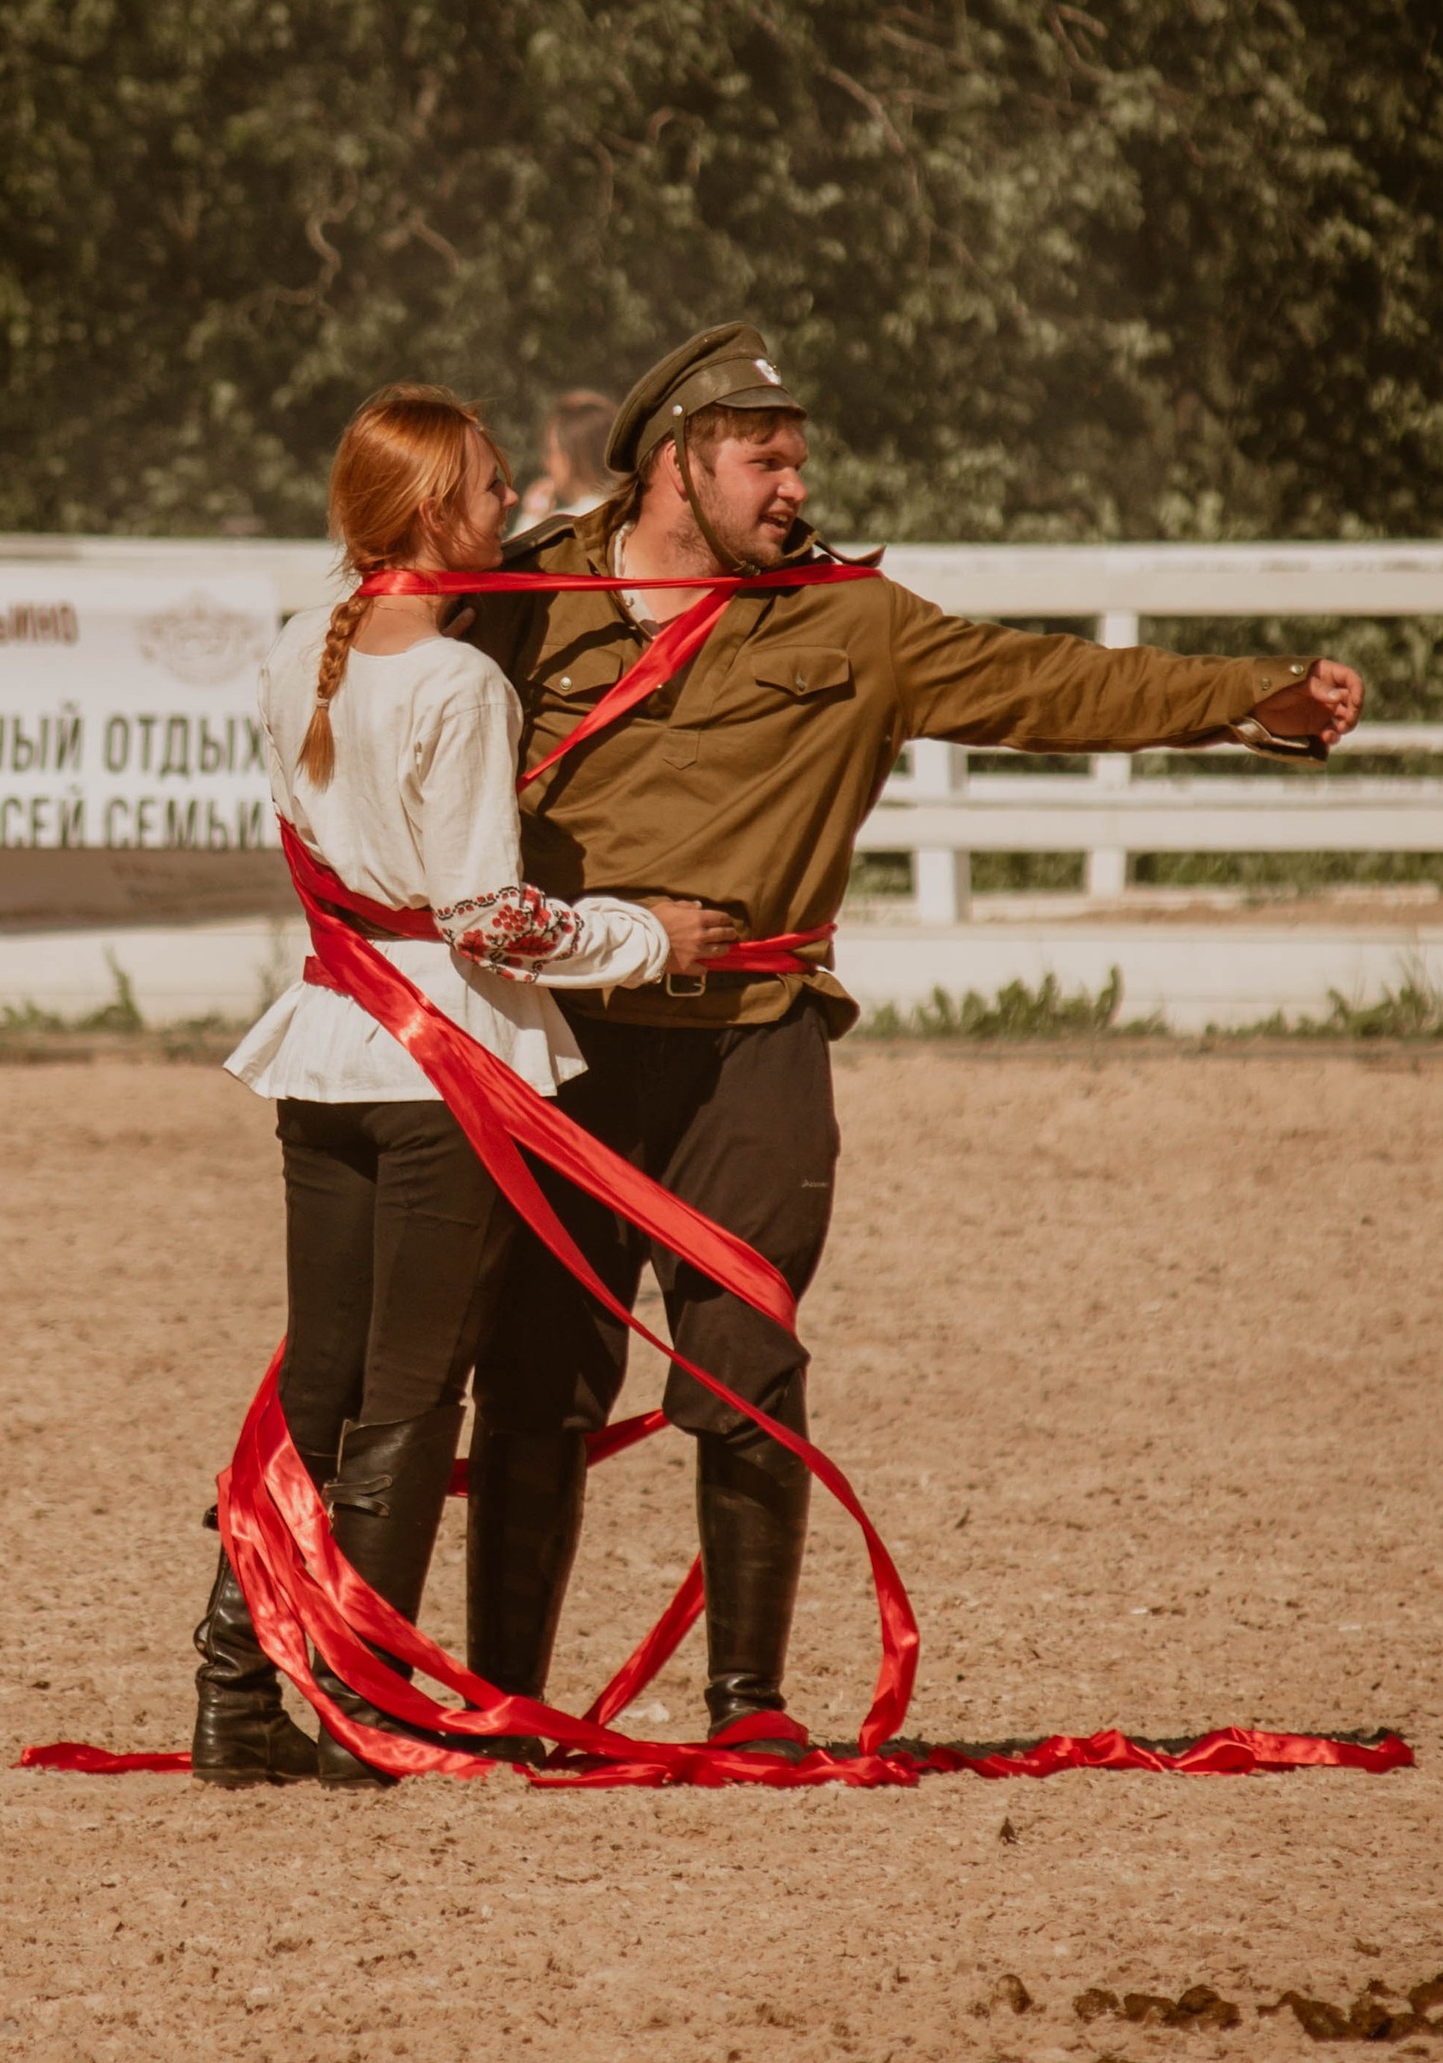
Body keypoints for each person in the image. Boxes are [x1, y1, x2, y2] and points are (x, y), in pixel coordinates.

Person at [463, 320, 1366, 1752]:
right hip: (550, 1044)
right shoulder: (513, 596)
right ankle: (498, 1702)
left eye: (797, 461)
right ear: (677, 461)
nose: (792, 486)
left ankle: (748, 1710)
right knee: (529, 1373)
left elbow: (1053, 685)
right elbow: (376, 689)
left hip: (750, 1041)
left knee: (745, 1359)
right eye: (765, 459)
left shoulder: (852, 623)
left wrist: (1243, 700)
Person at [194, 384, 734, 1787]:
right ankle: (365, 1709)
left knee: (317, 1387)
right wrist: (647, 933)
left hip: (329, 1045)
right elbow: (491, 918)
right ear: (438, 513)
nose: (515, 514)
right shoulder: (459, 684)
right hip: (445, 1066)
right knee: (408, 1400)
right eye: (495, 492)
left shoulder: (296, 650)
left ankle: (236, 1689)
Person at [519, 389, 616, 529]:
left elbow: (520, 550)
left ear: (577, 455)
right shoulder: (631, 512)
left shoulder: (563, 527)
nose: (545, 463)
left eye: (551, 451)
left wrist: (531, 518)